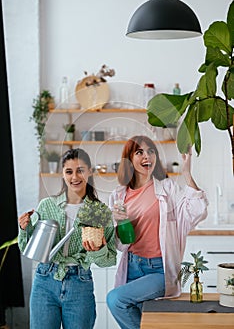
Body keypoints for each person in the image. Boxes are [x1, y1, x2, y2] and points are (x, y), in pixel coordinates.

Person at [106, 135, 208, 329]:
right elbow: (120, 245)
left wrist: (187, 173)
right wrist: (118, 225)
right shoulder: (119, 195)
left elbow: (197, 211)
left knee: (115, 299)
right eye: (140, 152)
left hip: (159, 270)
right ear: (129, 159)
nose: (147, 156)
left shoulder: (167, 189)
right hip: (132, 267)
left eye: (151, 151)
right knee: (141, 318)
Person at [18, 148, 116, 329]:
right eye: (69, 171)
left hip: (80, 283)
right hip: (45, 280)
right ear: (62, 174)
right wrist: (24, 229)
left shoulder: (100, 212)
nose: (75, 177)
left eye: (80, 170)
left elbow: (108, 260)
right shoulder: (47, 205)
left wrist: (99, 250)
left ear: (90, 172)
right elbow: (26, 248)